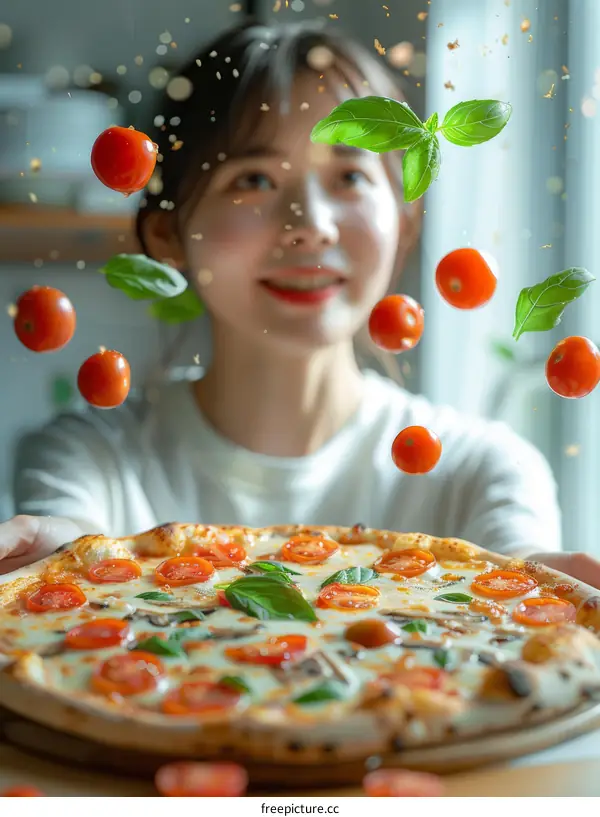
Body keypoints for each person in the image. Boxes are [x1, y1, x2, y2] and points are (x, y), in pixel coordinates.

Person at [1, 20, 599, 587]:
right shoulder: (91, 458)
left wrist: (538, 582)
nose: (310, 226)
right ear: (167, 235)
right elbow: (72, 552)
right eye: (254, 179)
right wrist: (57, 558)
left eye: (350, 177)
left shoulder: (481, 468)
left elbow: (518, 577)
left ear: (404, 226)